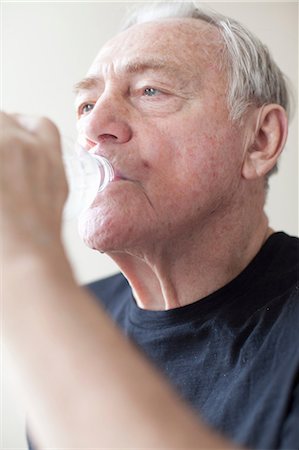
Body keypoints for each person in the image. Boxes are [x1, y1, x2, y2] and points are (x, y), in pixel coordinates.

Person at [1, 2, 298, 449]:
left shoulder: (49, 306)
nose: (95, 126)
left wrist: (23, 264)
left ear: (259, 140)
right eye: (85, 104)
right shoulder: (81, 313)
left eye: (150, 91)